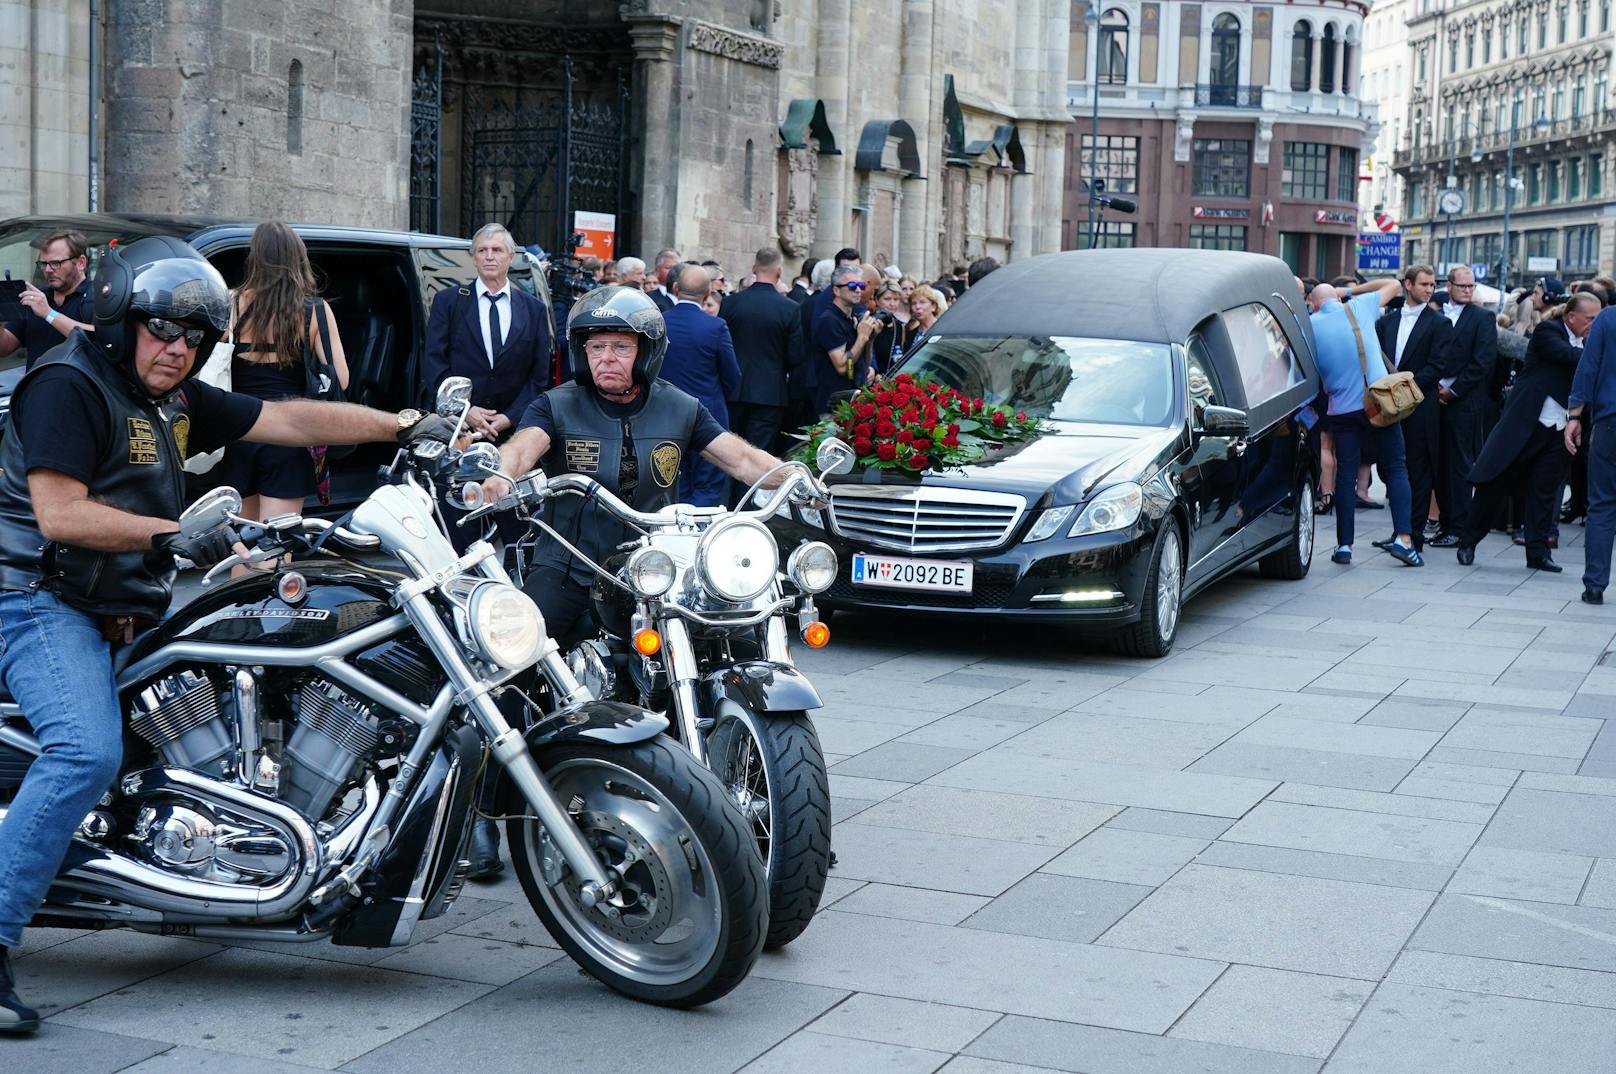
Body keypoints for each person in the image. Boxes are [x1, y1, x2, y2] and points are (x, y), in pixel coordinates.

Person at [0, 236, 454, 1033]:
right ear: (117, 316)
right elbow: (60, 514)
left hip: (121, 597)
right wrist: (171, 534)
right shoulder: (67, 384)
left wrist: (402, 424)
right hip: (39, 596)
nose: (178, 348)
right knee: (85, 749)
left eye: (193, 337)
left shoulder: (168, 396)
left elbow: (282, 416)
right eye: (162, 329)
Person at [487, 285, 805, 642]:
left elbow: (742, 459)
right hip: (567, 566)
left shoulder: (680, 407)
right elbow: (521, 450)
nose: (606, 357)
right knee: (517, 645)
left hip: (655, 569)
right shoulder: (555, 406)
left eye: (621, 346)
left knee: (731, 638)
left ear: (646, 352)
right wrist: (498, 475)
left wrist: (793, 476)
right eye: (596, 346)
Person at [214, 221, 351, 524]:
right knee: (275, 543)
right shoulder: (314, 310)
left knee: (243, 543)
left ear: (255, 257)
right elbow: (339, 379)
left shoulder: (231, 302)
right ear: (297, 258)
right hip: (290, 435)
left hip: (240, 430)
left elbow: (210, 362)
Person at [1459, 292, 1599, 572]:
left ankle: (1538, 553)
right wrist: (1600, 354)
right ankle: (1469, 541)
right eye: (1590, 319)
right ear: (1571, 317)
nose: (1593, 324)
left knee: (1544, 492)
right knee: (1496, 485)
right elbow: (1568, 356)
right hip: (1525, 427)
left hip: (1561, 431)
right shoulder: (1549, 331)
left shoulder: (1588, 343)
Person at [1308, 278, 1421, 565]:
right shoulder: (1358, 307)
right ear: (1336, 298)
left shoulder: (1309, 327)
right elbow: (1394, 284)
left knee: (1346, 473)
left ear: (1313, 304)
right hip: (1379, 404)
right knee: (1396, 467)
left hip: (1342, 411)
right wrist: (1350, 291)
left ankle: (1344, 546)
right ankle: (1403, 539)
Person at [421, 222, 551, 445]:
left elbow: (539, 377)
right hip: (457, 428)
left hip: (513, 433)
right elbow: (434, 364)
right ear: (474, 258)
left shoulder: (534, 309)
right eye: (482, 250)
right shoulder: (449, 302)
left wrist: (510, 417)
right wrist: (466, 410)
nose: (489, 256)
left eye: (497, 250)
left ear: (510, 257)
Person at [1374, 265, 1455, 552]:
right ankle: (1400, 529)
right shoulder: (1386, 322)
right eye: (1424, 284)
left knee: (1419, 469)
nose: (1429, 289)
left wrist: (1404, 391)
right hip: (1388, 406)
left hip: (1421, 405)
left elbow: (1438, 365)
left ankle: (1413, 535)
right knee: (1391, 467)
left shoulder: (1439, 323)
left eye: (1432, 285)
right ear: (1407, 285)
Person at [1428, 266, 1500, 548]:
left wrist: (1452, 391)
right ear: (1450, 286)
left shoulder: (1483, 317)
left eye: (1472, 286)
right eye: (1463, 286)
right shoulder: (1435, 315)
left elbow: (1483, 362)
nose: (1469, 290)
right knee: (1437, 465)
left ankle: (1458, 527)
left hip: (1464, 402)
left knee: (1459, 465)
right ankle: (1444, 524)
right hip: (1433, 398)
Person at [661, 265, 741, 505]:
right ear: (707, 294)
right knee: (708, 482)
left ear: (675, 288)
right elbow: (732, 375)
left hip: (665, 412)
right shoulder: (715, 327)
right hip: (708, 412)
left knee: (673, 480)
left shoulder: (660, 322)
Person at [720, 246, 805, 461]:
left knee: (729, 454)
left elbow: (722, 345)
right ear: (779, 272)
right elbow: (796, 357)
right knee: (758, 457)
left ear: (754, 268)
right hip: (770, 392)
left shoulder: (731, 303)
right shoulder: (790, 308)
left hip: (733, 389)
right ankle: (750, 494)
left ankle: (730, 495)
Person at [1566, 300, 1616, 604]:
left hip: (1610, 421)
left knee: (1602, 504)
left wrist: (1574, 416)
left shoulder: (1607, 319)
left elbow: (1588, 368)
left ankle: (1595, 585)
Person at [0, 230, 94, 370]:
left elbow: (99, 339)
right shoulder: (37, 299)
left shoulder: (99, 297)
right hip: (35, 388)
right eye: (44, 264)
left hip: (77, 389)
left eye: (56, 263)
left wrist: (48, 314)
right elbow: (4, 348)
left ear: (80, 263)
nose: (48, 270)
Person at [811, 265, 881, 415]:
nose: (857, 290)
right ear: (836, 290)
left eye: (861, 285)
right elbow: (843, 367)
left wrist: (869, 339)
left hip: (851, 402)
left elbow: (861, 365)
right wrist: (862, 337)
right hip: (833, 406)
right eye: (851, 285)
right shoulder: (829, 320)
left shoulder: (851, 319)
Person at [869, 281, 907, 375]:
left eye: (896, 299)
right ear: (877, 300)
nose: (892, 303)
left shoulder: (899, 326)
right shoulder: (869, 322)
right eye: (887, 299)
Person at [905, 284, 947, 353]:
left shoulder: (943, 330)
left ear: (933, 306)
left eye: (922, 302)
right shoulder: (910, 334)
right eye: (914, 303)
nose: (917, 307)